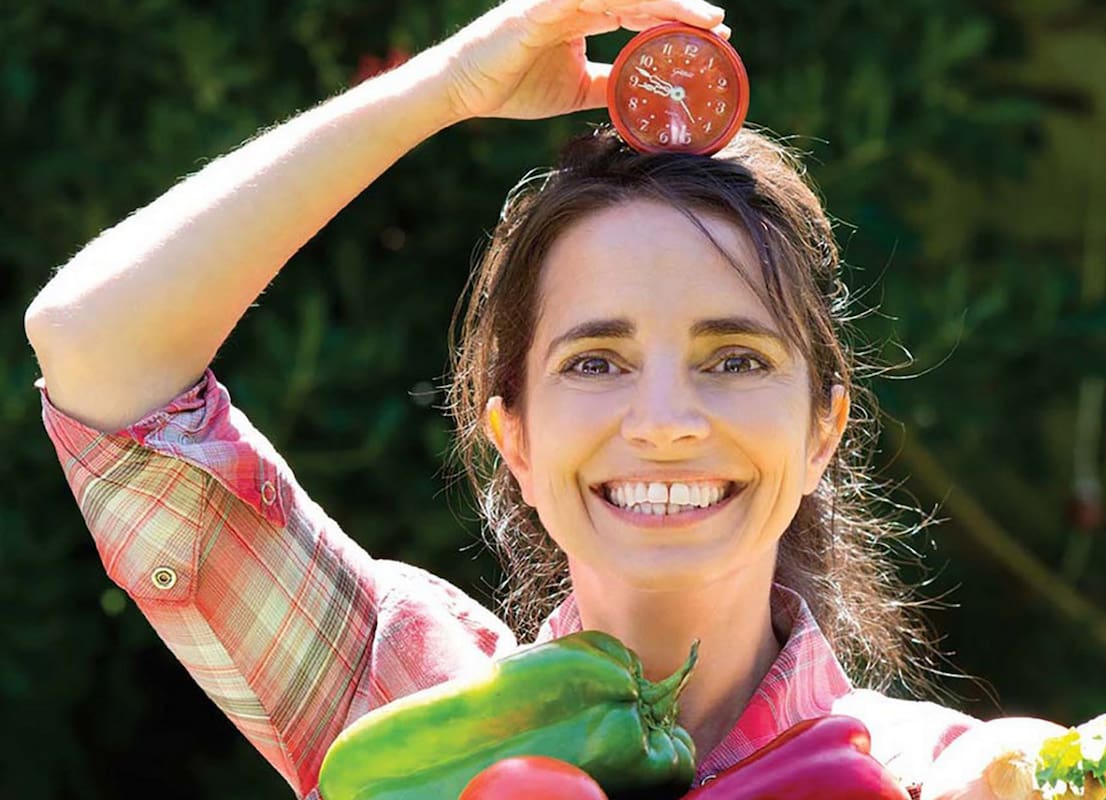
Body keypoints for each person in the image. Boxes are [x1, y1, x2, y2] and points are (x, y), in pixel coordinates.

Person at [25, 1, 987, 797]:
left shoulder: (942, 775)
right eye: (595, 362)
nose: (661, 422)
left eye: (733, 358)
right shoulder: (407, 698)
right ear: (513, 437)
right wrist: (444, 89)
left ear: (824, 428)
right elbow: (94, 343)